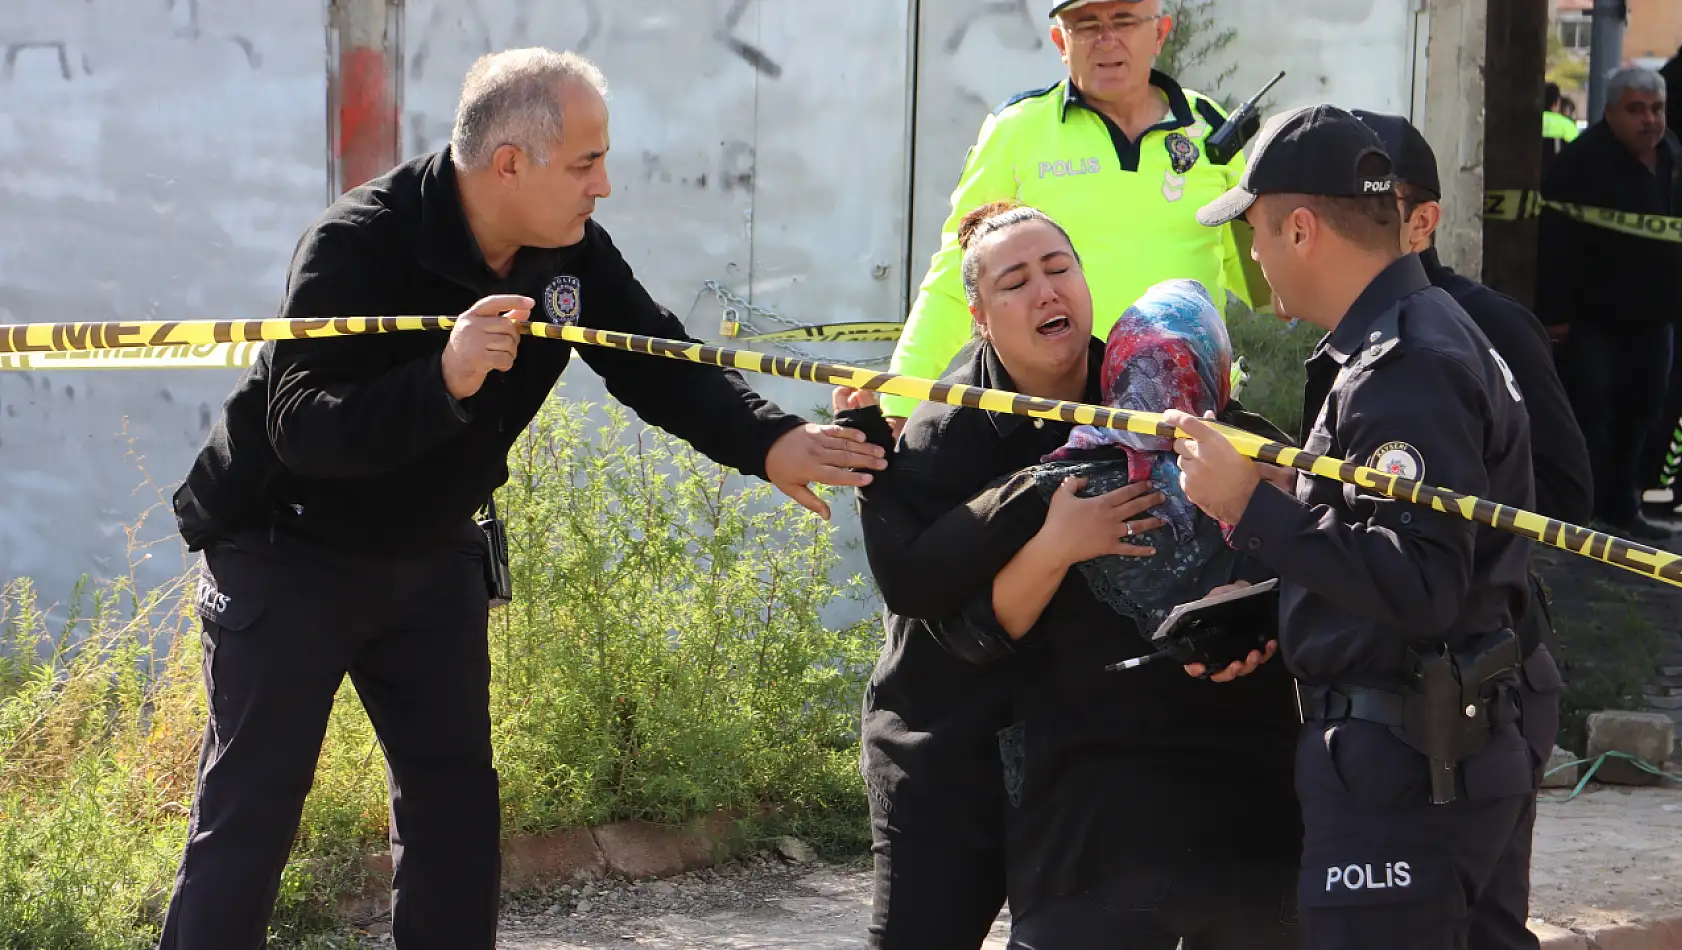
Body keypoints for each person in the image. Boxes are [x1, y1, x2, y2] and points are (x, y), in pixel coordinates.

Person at [156, 48, 887, 950]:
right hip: (288, 548)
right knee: (252, 811)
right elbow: (302, 423)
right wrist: (445, 378)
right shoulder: (357, 241)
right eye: (586, 163)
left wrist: (770, 440)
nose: (604, 186)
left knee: (455, 808)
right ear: (510, 163)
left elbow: (653, 358)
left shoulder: (568, 251)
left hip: (432, 553)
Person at [841, 199, 1301, 949]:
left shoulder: (1140, 386)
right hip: (951, 745)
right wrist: (1047, 517)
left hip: (1076, 761)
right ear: (980, 315)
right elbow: (918, 587)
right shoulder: (944, 430)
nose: (1046, 291)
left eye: (1059, 269)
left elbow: (1259, 473)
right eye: (1015, 281)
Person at [1179, 104, 1538, 949]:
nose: (1255, 255)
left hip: (1405, 768)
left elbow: (1421, 582)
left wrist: (1249, 507)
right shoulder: (1419, 336)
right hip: (1425, 754)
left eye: (1257, 232)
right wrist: (1292, 487)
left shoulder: (1402, 365)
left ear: (1300, 228)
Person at [1355, 108, 1594, 950]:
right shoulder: (1350, 336)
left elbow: (1565, 492)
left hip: (1479, 686)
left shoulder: (1474, 328)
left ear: (1420, 222)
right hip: (1390, 702)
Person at [879, 0, 1263, 432]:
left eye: (1123, 20)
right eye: (1086, 25)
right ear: (1060, 41)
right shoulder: (1019, 130)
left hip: (1189, 407)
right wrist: (901, 399)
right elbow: (959, 271)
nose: (1106, 39)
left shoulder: (1208, 130)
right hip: (1058, 410)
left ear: (1159, 32)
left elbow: (1261, 272)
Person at [1536, 66, 1681, 541]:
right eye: (1636, 109)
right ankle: (1585, 515)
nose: (1650, 121)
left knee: (1642, 412)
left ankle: (1625, 508)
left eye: (1656, 109)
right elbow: (1554, 242)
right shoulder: (1581, 164)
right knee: (1589, 417)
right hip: (1593, 321)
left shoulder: (1673, 155)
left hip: (1655, 318)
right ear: (1610, 111)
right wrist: (1555, 315)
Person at [1541, 82, 1579, 176]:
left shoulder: (1528, 123)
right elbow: (1578, 152)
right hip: (1559, 176)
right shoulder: (1566, 125)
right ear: (1556, 102)